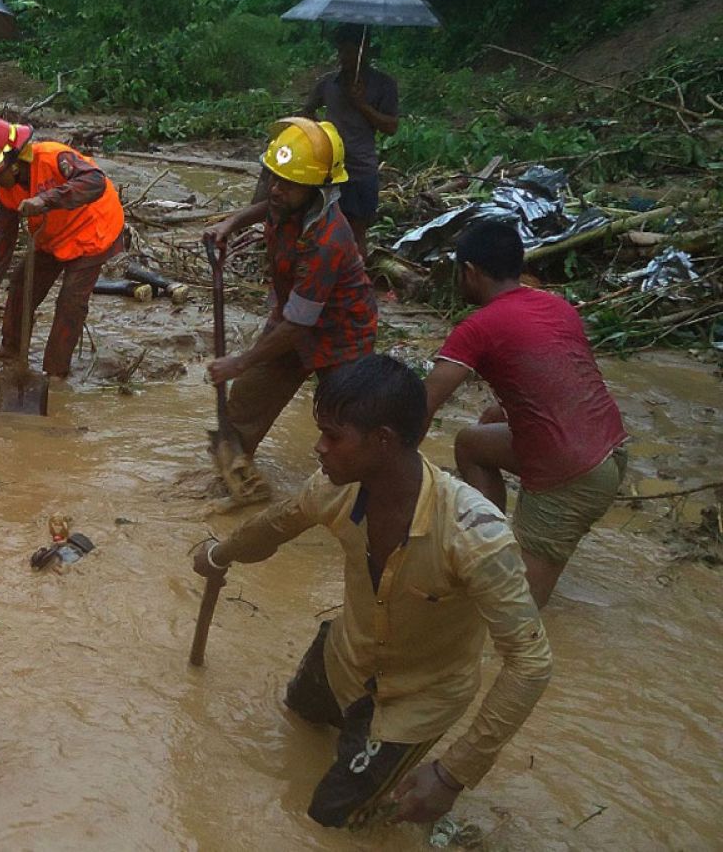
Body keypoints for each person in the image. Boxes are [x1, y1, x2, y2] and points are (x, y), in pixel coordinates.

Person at [192, 355, 551, 829]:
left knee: (329, 821)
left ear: (383, 441)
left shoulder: (476, 536)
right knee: (298, 717)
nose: (318, 448)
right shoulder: (333, 488)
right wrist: (222, 553)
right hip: (343, 655)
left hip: (414, 700)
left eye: (333, 436)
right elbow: (276, 526)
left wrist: (452, 774)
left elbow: (530, 663)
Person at [423, 219, 628, 606]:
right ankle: (489, 540)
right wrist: (500, 411)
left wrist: (383, 474)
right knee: (471, 442)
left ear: (469, 272)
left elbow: (426, 403)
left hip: (569, 476)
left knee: (513, 610)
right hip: (610, 451)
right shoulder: (556, 306)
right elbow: (564, 379)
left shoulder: (478, 326)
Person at [206, 117, 377, 467]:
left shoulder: (327, 241)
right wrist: (231, 223)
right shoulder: (288, 200)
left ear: (316, 190)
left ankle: (353, 491)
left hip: (340, 335)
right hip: (291, 318)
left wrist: (238, 362)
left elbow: (299, 324)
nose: (276, 189)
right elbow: (269, 206)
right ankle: (232, 472)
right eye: (273, 178)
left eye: (289, 184)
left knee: (343, 420)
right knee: (248, 397)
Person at [0, 116, 125, 379]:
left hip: (93, 230)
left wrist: (46, 200)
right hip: (52, 235)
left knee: (69, 304)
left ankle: (55, 373)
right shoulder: (7, 190)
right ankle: (11, 352)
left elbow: (95, 181)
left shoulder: (54, 157)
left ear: (14, 164)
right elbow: (1, 242)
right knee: (20, 288)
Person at [301, 25, 399, 248]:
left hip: (360, 170)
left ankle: (355, 279)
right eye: (341, 51)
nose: (344, 58)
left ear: (364, 52)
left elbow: (391, 127)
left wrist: (362, 105)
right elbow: (306, 111)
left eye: (351, 52)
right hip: (327, 169)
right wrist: (321, 133)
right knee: (321, 229)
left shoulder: (384, 85)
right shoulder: (328, 83)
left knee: (356, 234)